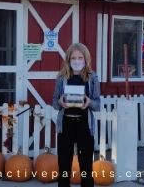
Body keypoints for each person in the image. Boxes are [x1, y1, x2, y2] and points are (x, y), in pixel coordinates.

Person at [52, 43, 100, 187]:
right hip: (66, 125)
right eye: (73, 58)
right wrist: (60, 101)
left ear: (86, 59)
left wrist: (89, 102)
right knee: (64, 164)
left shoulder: (92, 77)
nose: (77, 60)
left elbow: (97, 105)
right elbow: (54, 103)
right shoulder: (61, 77)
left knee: (86, 165)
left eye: (80, 57)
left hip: (84, 124)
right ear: (68, 59)